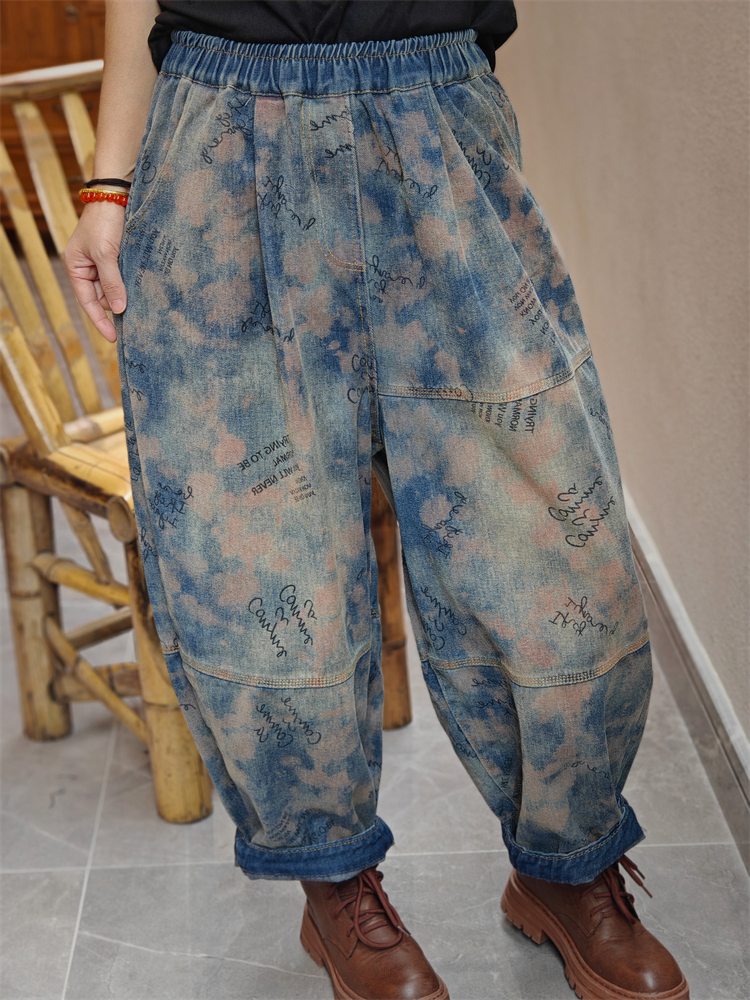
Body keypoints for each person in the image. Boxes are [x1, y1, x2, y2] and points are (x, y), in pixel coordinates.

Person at [65, 3, 690, 998]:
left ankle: (567, 867)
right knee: (262, 558)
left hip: (436, 109)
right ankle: (334, 885)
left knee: (550, 541)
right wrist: (108, 180)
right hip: (221, 126)